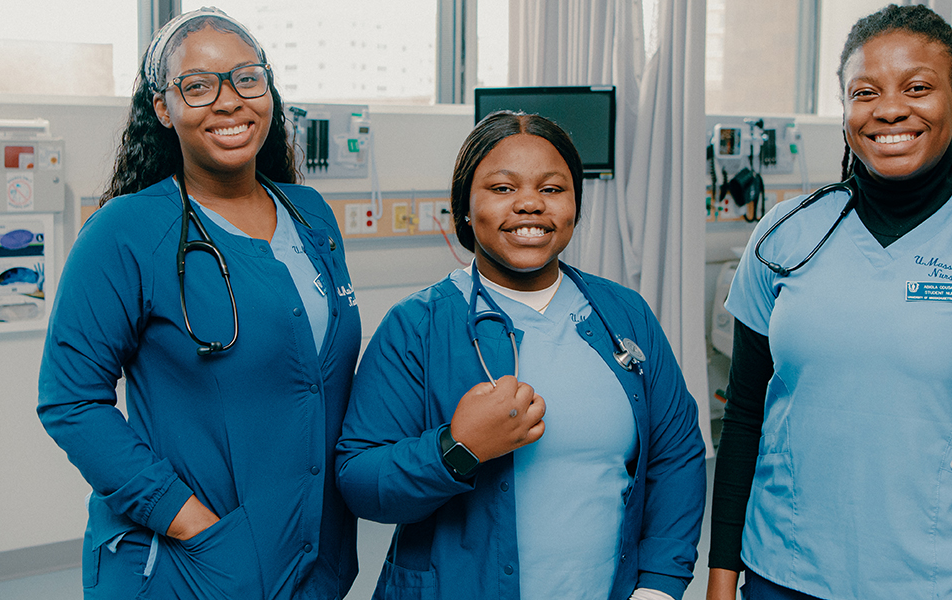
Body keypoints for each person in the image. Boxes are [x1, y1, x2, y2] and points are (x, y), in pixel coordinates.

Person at [706, 5, 952, 600]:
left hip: (947, 580)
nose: (890, 109)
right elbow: (743, 419)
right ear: (845, 109)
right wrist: (721, 573)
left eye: (918, 87)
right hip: (782, 568)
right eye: (865, 91)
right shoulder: (784, 236)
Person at [38, 8, 360, 599]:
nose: (229, 101)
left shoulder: (311, 214)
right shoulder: (126, 231)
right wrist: (191, 523)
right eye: (198, 86)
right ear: (163, 108)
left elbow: (323, 381)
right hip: (190, 565)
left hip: (314, 557)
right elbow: (70, 401)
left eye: (246, 78)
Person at [336, 112, 707, 600]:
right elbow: (359, 479)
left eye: (553, 189)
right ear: (465, 208)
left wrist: (658, 586)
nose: (531, 204)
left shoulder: (624, 314)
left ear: (575, 204)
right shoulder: (418, 325)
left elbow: (676, 454)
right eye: (503, 188)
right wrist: (457, 448)